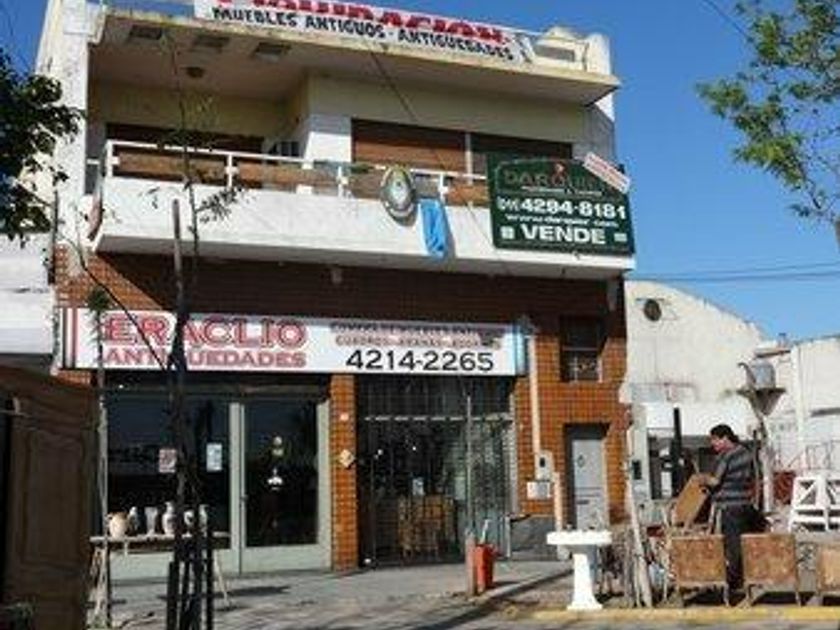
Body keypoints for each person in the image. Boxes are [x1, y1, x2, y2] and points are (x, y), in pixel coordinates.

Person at [700, 423, 761, 591]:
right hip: (745, 504)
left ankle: (735, 582)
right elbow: (754, 477)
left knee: (732, 546)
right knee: (744, 543)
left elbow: (715, 481)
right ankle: (748, 577)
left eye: (715, 440)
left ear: (725, 438)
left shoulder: (726, 456)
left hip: (730, 507)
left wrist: (702, 479)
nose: (713, 444)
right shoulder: (746, 453)